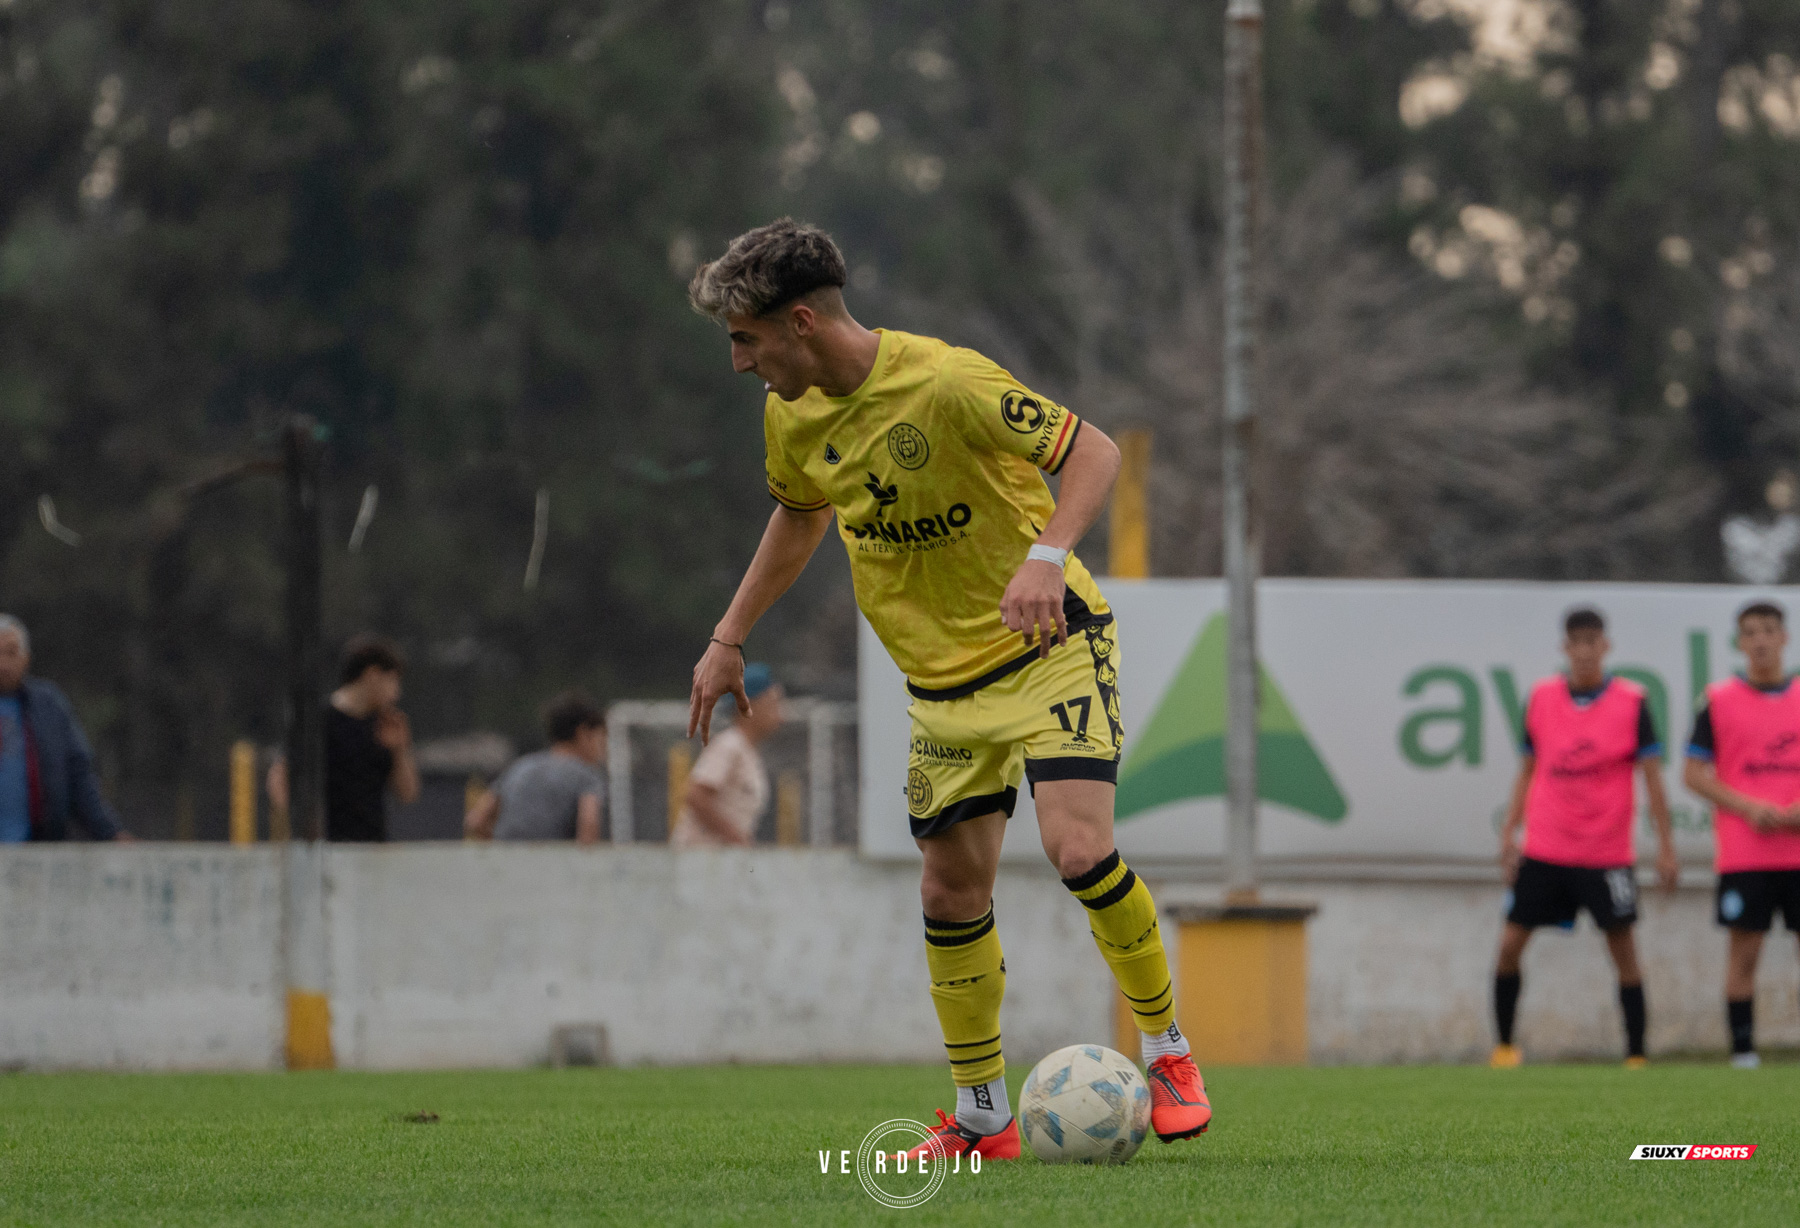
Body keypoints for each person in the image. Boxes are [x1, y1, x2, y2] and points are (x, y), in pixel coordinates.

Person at [683, 220, 1208, 1160]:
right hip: (940, 686)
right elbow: (800, 516)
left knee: (1077, 848)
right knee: (948, 893)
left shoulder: (947, 380)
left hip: (1048, 646)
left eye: (746, 339)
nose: (739, 363)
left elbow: (1094, 453)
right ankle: (981, 1117)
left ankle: (1167, 1050)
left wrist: (1048, 555)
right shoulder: (791, 412)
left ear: (800, 321)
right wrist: (730, 637)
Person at [1490, 607, 1677, 1068]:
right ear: (1565, 649)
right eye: (1577, 643)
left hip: (1606, 852)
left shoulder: (1633, 701)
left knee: (1624, 951)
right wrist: (1510, 832)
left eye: (1594, 642)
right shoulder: (1541, 697)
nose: (1586, 651)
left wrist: (1666, 847)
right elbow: (1528, 771)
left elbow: (1653, 780)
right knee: (1510, 947)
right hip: (1546, 847)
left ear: (1606, 647)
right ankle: (1505, 1047)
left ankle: (1636, 1055)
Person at [1683, 600, 1800, 1069]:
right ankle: (1744, 1054)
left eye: (1768, 630)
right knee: (1744, 955)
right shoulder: (1718, 700)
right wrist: (1751, 807)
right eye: (1750, 632)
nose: (1760, 641)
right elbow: (1693, 774)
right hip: (1745, 854)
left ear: (1784, 637)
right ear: (1739, 642)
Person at [0, 614, 130, 843]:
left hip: (37, 853)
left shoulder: (48, 706)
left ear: (26, 658)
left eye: (11, 653)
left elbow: (77, 776)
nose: (3, 664)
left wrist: (111, 833)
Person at [465, 691, 608, 843]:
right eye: (602, 736)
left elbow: (476, 821)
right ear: (583, 733)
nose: (604, 746)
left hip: (507, 864)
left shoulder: (520, 766)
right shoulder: (586, 776)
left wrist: (505, 850)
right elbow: (589, 827)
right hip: (555, 864)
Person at [670, 664, 782, 848]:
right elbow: (696, 796)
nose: (780, 714)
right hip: (702, 860)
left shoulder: (748, 752)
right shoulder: (730, 745)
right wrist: (736, 838)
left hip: (721, 862)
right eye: (772, 702)